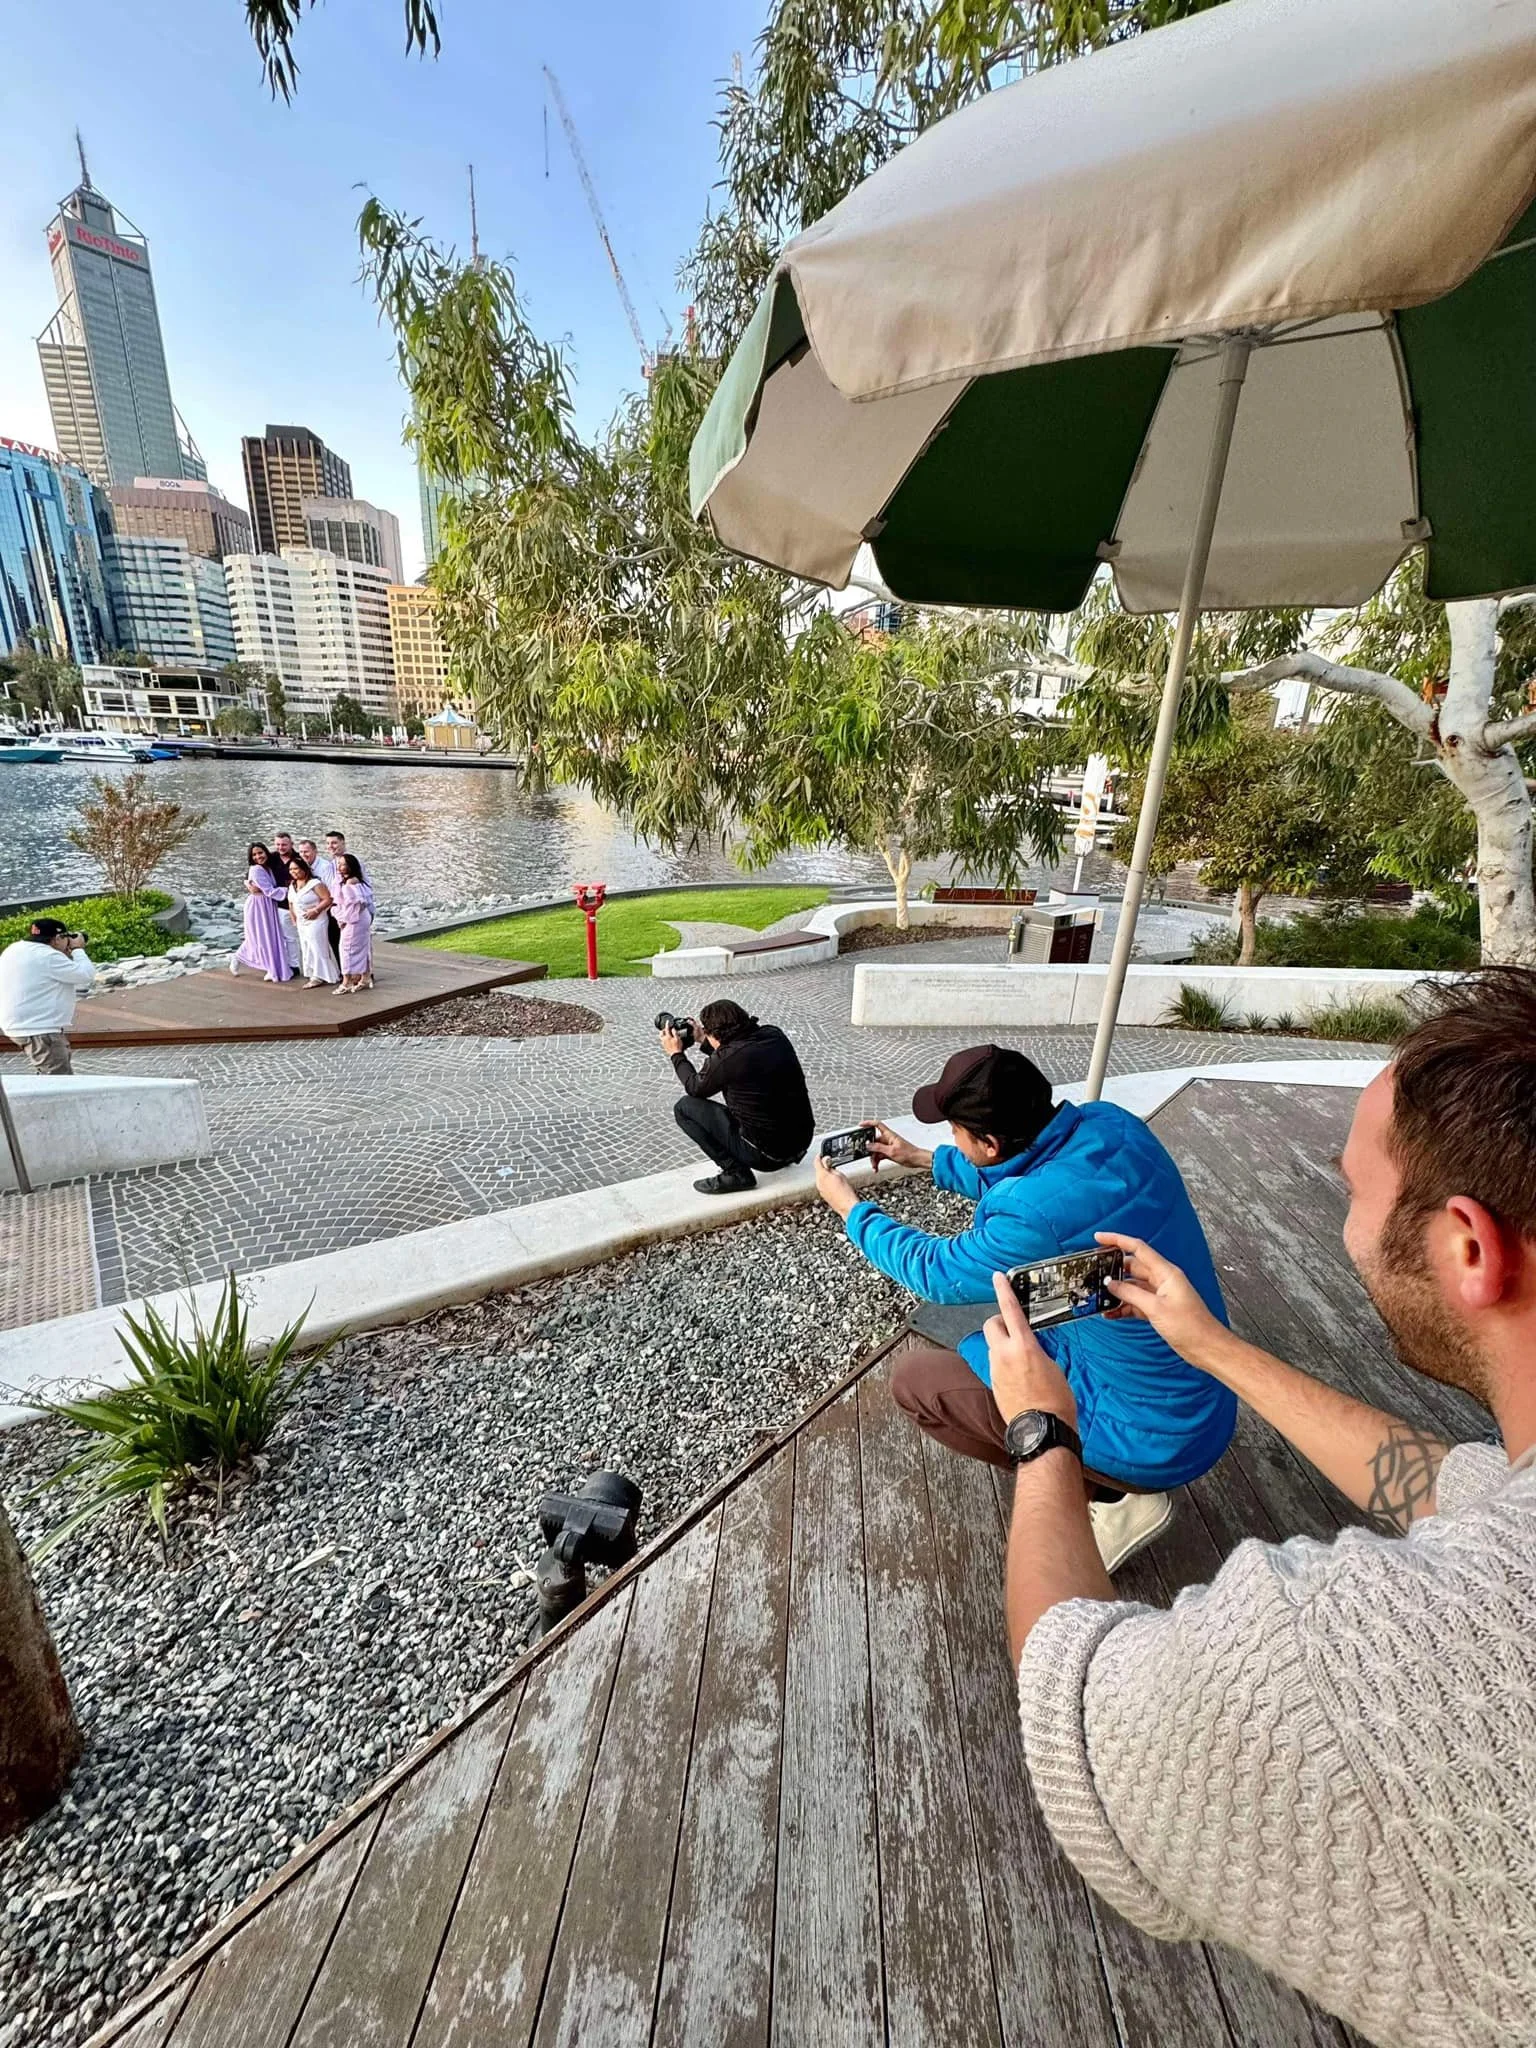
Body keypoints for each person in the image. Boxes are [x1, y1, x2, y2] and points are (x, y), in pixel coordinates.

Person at [990, 967, 1536, 2046]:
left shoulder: (1356, 1660)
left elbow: (1073, 1684)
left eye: (1356, 1193)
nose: (1347, 1226)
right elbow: (1457, 1490)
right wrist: (1214, 1346)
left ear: (1469, 1247)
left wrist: (1043, 1435)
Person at [814, 1043, 1233, 1571]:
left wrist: (850, 1208)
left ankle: (1107, 1493)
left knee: (919, 1382)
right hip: (1204, 1386)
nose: (952, 1140)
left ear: (987, 1142)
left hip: (1150, 1431)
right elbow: (1032, 1167)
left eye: (955, 1134)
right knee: (1002, 1314)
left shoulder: (1029, 1218)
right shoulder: (1110, 1125)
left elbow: (933, 1270)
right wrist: (918, 1157)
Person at [664, 999, 814, 1196]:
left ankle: (735, 1173)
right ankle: (776, 1159)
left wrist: (676, 1053)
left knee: (684, 1108)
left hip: (767, 1155)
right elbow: (734, 1060)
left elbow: (695, 1087)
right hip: (801, 1143)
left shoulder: (729, 1058)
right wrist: (702, 1038)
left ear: (716, 1036)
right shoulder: (773, 1034)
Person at [0, 918, 95, 1074]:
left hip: (20, 1026)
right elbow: (85, 974)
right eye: (66, 937)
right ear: (57, 939)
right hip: (40, 1030)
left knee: (48, 1078)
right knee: (59, 1086)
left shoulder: (15, 949)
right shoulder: (48, 956)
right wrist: (78, 949)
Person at [231, 843, 294, 983]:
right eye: (254, 855)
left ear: (266, 852)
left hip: (268, 904)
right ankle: (241, 957)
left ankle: (271, 967)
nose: (258, 856)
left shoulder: (268, 867)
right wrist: (292, 890)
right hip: (258, 905)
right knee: (260, 936)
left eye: (260, 852)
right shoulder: (256, 869)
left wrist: (247, 882)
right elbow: (269, 891)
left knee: (270, 937)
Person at [286, 856, 339, 987]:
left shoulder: (315, 884)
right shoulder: (292, 885)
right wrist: (293, 918)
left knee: (317, 946)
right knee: (306, 946)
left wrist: (316, 910)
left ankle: (319, 975)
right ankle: (313, 971)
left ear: (304, 868)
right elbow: (291, 902)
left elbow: (328, 899)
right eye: (291, 869)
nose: (294, 871)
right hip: (301, 921)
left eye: (296, 868)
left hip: (317, 920)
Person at [332, 854, 375, 992]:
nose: (340, 867)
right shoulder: (349, 881)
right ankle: (365, 976)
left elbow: (355, 905)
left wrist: (343, 919)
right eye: (339, 864)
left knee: (346, 948)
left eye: (343, 864)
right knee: (362, 946)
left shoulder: (351, 883)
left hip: (355, 918)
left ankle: (347, 981)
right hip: (359, 917)